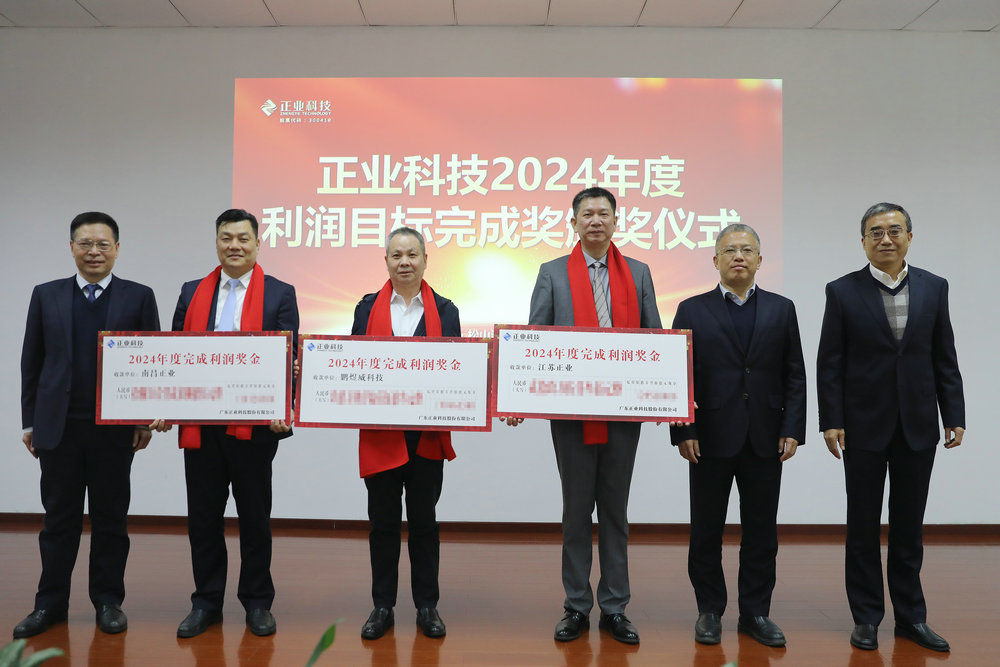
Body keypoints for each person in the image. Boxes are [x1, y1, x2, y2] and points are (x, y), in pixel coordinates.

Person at [506, 187, 660, 645]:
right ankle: (576, 605)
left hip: (623, 414)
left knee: (615, 511)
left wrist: (669, 395)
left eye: (603, 213)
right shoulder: (552, 273)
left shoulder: (638, 272)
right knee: (576, 511)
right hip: (571, 415)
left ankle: (615, 608)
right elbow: (534, 338)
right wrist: (517, 395)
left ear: (616, 221)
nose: (595, 220)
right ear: (573, 223)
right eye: (587, 213)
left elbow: (656, 339)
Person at [817, 202, 964, 653]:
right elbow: (830, 361)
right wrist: (831, 420)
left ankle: (911, 618)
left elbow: (944, 356)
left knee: (909, 526)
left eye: (894, 230)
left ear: (909, 237)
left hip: (917, 424)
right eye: (875, 232)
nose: (886, 239)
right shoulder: (842, 291)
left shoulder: (934, 287)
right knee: (862, 525)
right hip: (861, 425)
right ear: (863, 241)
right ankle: (866, 618)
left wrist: (954, 414)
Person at [15, 212, 160, 639]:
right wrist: (29, 422)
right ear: (72, 248)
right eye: (85, 244)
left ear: (117, 248)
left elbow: (152, 360)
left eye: (102, 244)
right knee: (58, 521)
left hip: (113, 429)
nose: (94, 252)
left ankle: (108, 602)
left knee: (110, 520)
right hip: (58, 428)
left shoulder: (139, 296)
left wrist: (145, 420)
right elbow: (32, 361)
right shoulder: (46, 294)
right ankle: (50, 604)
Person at [670, 224, 805, 647]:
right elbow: (677, 375)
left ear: (760, 260)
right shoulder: (691, 309)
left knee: (762, 532)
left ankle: (755, 613)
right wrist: (684, 430)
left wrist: (792, 428)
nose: (739, 257)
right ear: (715, 260)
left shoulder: (782, 309)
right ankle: (709, 611)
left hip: (766, 436)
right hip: (708, 437)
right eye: (729, 250)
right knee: (705, 530)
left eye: (747, 250)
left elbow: (795, 375)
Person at [168, 208, 298, 638]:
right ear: (217, 243)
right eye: (227, 238)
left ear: (258, 244)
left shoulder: (280, 293)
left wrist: (285, 408)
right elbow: (175, 355)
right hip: (201, 426)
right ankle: (206, 602)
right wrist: (163, 402)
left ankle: (257, 602)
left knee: (254, 518)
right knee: (203, 518)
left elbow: (290, 357)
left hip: (255, 428)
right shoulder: (192, 292)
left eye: (243, 238)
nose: (235, 246)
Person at [352, 226, 460, 640]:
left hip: (425, 437)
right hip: (381, 436)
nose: (404, 262)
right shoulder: (366, 309)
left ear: (425, 260)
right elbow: (350, 365)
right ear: (386, 261)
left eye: (412, 254)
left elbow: (458, 370)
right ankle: (382, 605)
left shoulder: (446, 311)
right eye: (396, 255)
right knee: (382, 524)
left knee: (424, 523)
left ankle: (427, 606)